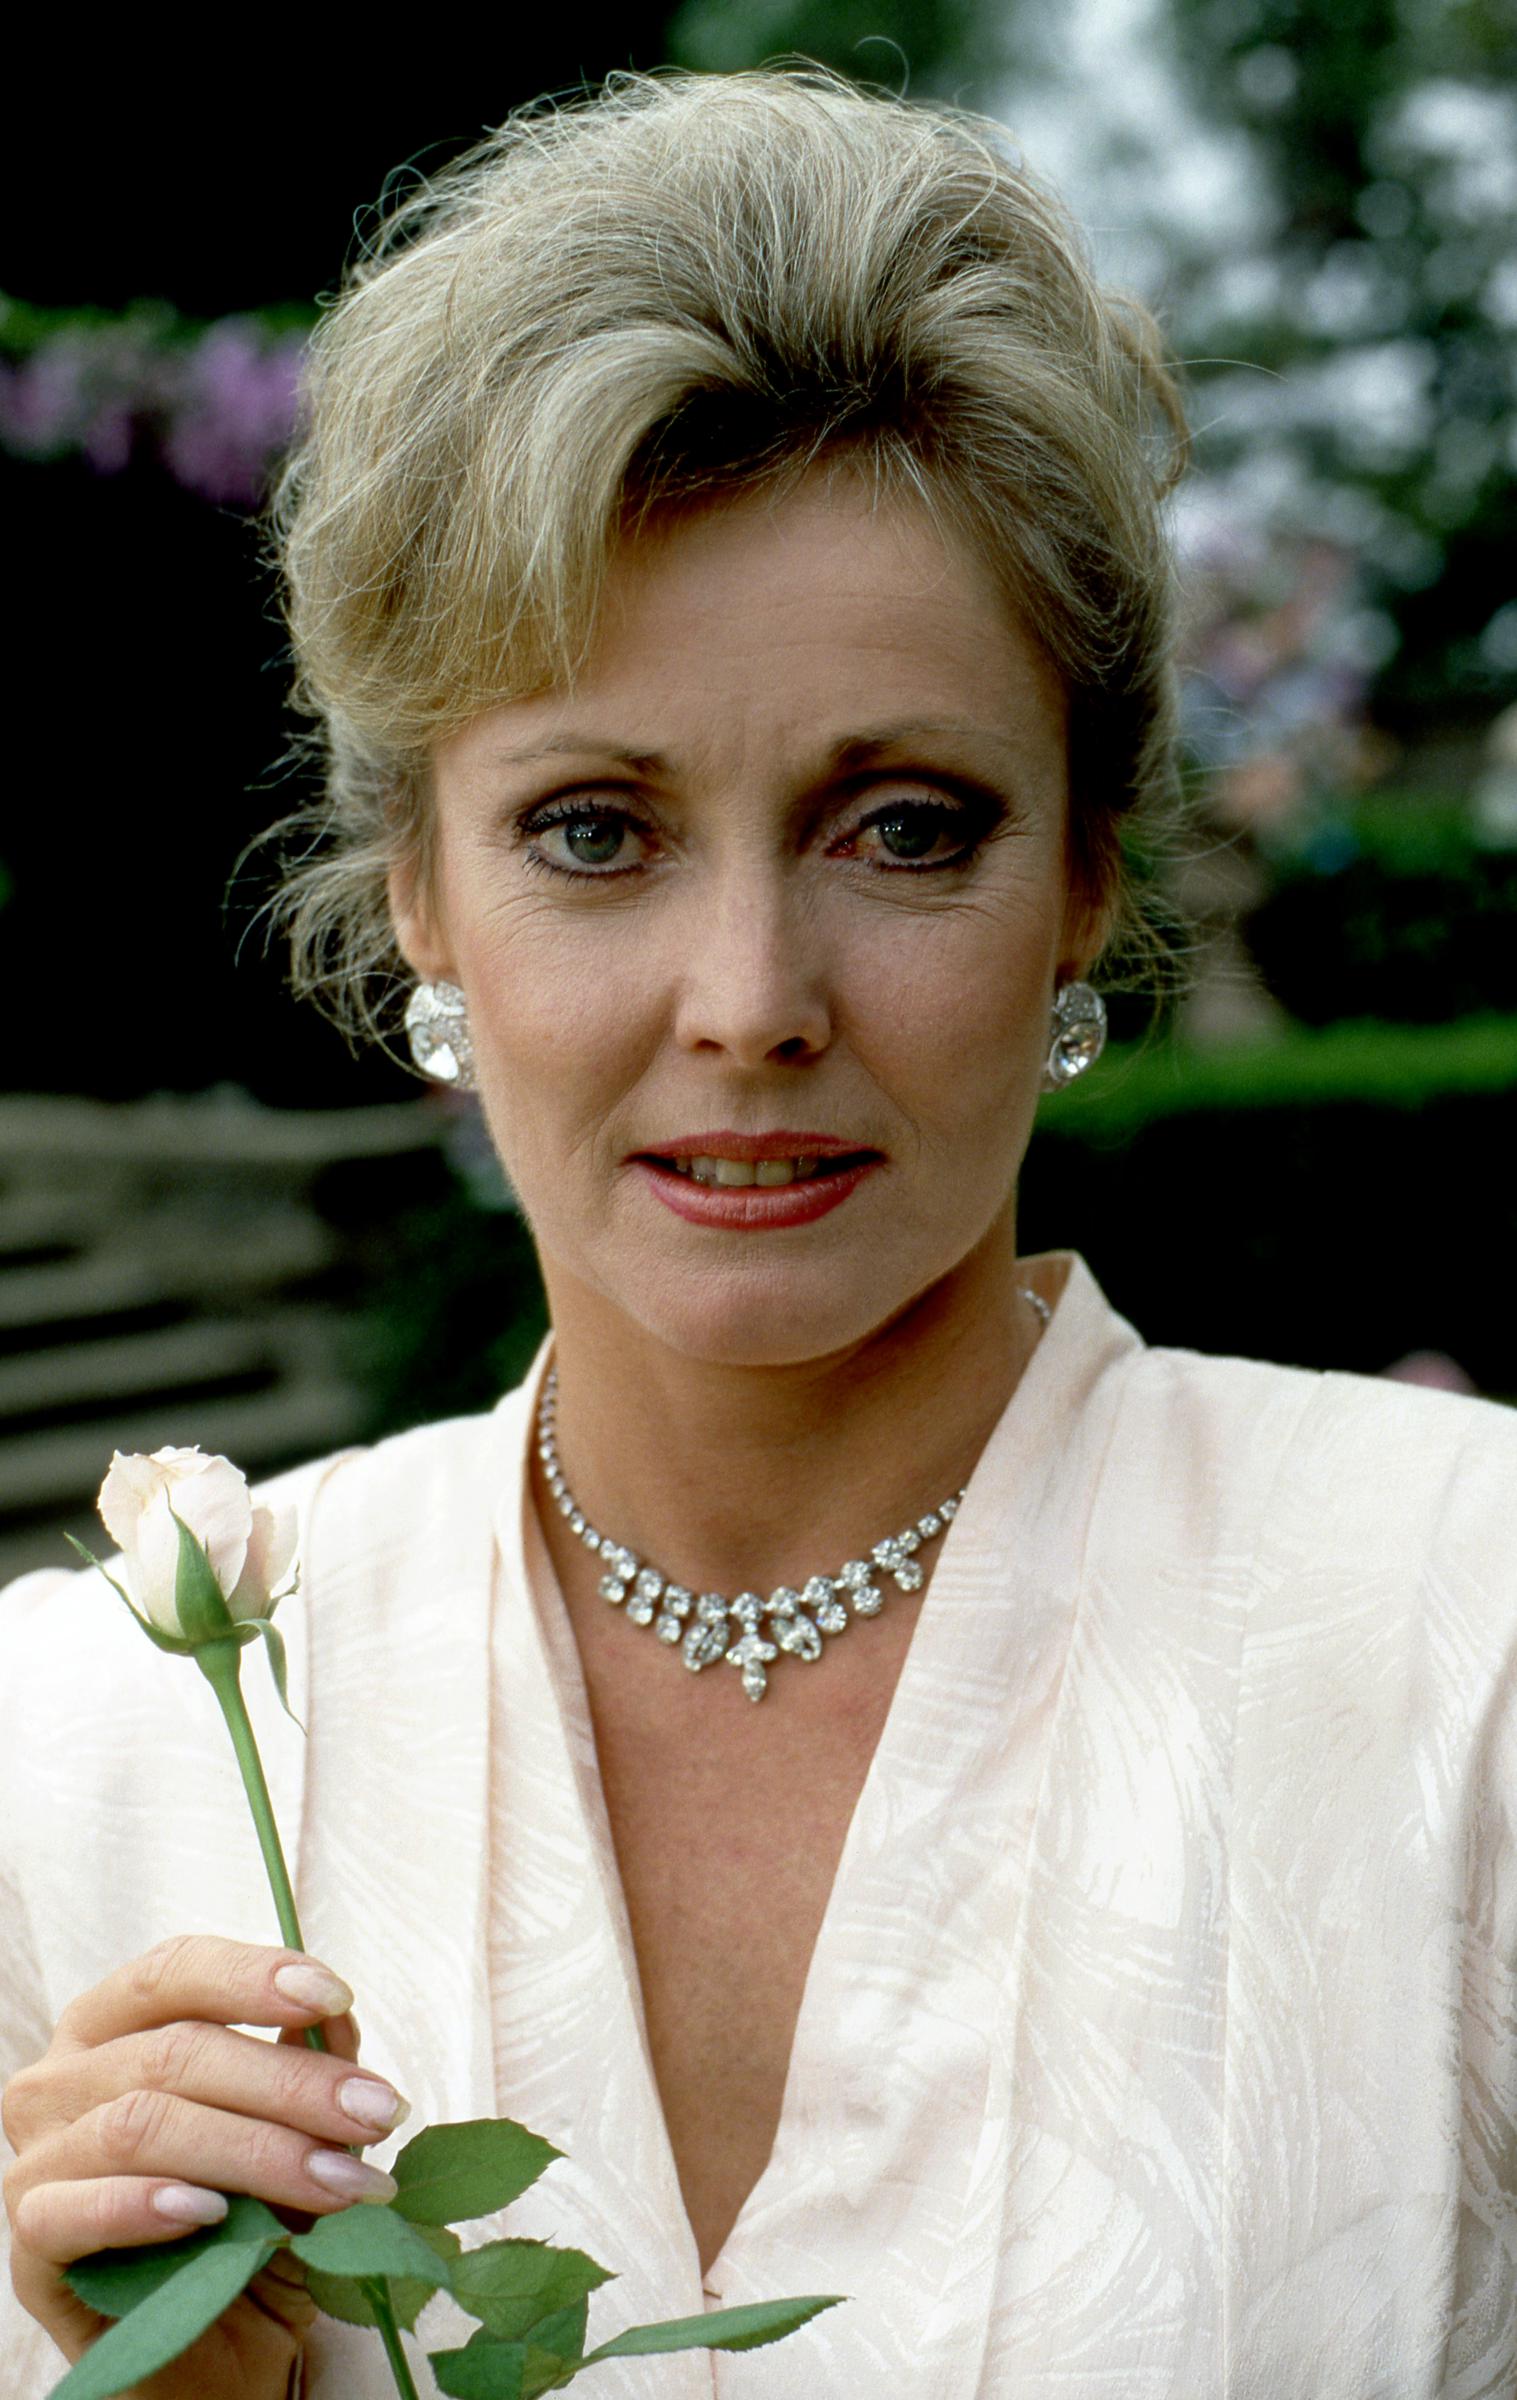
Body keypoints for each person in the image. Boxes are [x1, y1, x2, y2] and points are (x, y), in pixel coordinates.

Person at [3, 66, 1514, 2400]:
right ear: (421, 887)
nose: (751, 1007)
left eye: (903, 828)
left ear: (1088, 879)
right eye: (596, 833)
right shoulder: (77, 1760)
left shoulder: (1472, 1647)